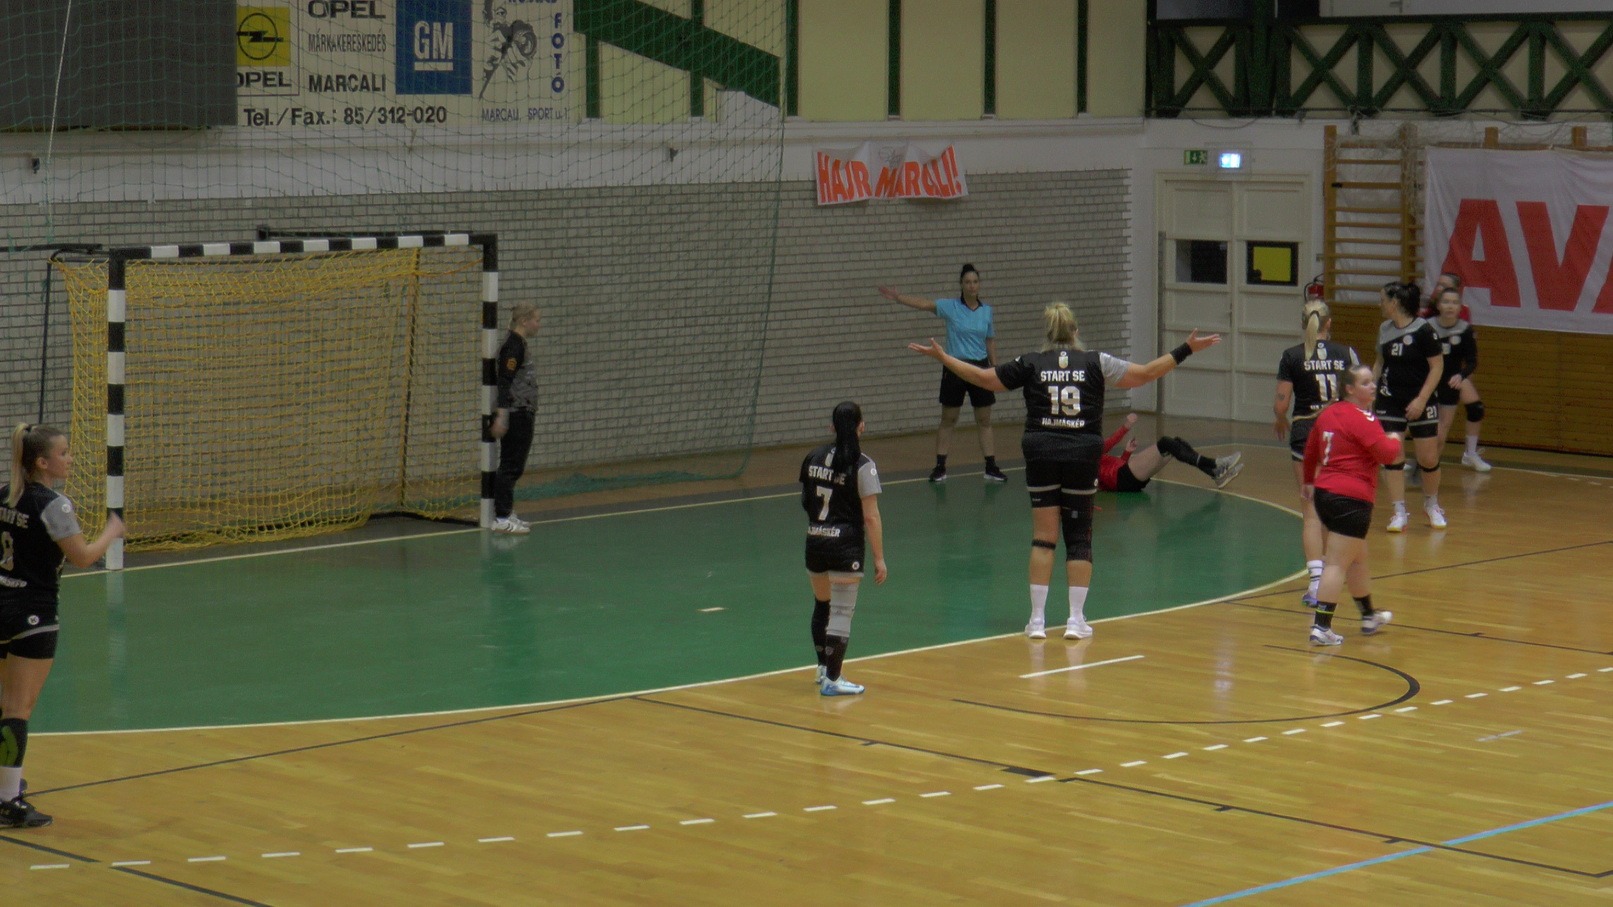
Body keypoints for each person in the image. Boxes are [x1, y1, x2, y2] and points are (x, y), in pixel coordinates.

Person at [909, 302, 1219, 641]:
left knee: (1044, 538)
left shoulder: (1030, 363)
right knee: (1079, 537)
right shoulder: (1097, 362)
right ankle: (1074, 620)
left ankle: (1036, 621)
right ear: (1075, 332)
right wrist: (1186, 348)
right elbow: (1146, 373)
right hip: (1081, 453)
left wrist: (944, 358)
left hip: (1040, 451)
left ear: (1048, 333)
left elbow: (984, 378)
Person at [0, 423, 125, 828]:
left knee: (5, 704)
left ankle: (4, 782)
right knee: (18, 708)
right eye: (64, 453)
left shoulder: (6, 494)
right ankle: (7, 800)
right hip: (33, 611)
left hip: (2, 603)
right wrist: (111, 532)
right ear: (42, 462)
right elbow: (83, 557)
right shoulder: (54, 504)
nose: (70, 459)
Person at [1301, 366, 1403, 645]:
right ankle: (1321, 628)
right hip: (1352, 497)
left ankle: (1368, 615)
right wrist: (1395, 440)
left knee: (1357, 557)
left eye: (1373, 382)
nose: (1372, 386)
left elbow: (1310, 449)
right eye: (1365, 382)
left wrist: (1308, 480)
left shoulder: (1328, 414)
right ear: (1350, 389)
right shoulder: (1363, 418)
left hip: (1325, 494)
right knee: (1336, 563)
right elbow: (1387, 454)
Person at [878, 264, 1005, 483]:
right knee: (949, 418)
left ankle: (991, 466)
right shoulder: (950, 307)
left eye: (975, 282)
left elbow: (990, 340)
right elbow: (925, 304)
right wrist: (899, 298)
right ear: (961, 284)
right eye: (967, 282)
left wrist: (995, 368)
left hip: (980, 369)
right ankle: (940, 466)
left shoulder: (986, 311)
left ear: (979, 285)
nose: (972, 286)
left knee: (984, 419)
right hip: (955, 367)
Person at [1274, 300, 1361, 606]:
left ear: (1303, 323)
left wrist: (1280, 419)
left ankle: (1315, 583)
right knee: (1337, 507)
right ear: (1329, 323)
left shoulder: (1292, 356)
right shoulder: (1347, 353)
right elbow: (1360, 395)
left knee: (1310, 512)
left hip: (1306, 433)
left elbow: (1281, 404)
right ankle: (1338, 572)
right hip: (1339, 432)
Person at [800, 401, 886, 696]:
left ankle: (823, 668)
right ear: (862, 426)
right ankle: (833, 680)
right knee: (841, 612)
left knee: (822, 605)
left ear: (832, 427)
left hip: (815, 540)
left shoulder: (813, 457)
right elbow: (871, 516)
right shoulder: (863, 465)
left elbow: (806, 500)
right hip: (845, 545)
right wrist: (879, 558)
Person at [1373, 281, 1445, 532]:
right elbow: (1379, 363)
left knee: (1428, 457)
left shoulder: (1424, 330)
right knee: (1393, 454)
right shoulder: (1384, 329)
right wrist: (1369, 392)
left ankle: (1432, 504)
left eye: (1383, 300)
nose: (1380, 304)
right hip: (1389, 399)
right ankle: (1399, 510)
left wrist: (1422, 399)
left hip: (1420, 400)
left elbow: (1437, 367)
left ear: (1395, 302)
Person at [490, 303, 542, 534]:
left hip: (522, 411)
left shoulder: (519, 344)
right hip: (516, 412)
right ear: (524, 321)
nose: (538, 325)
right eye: (536, 320)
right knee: (511, 466)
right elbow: (504, 382)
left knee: (515, 466)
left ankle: (507, 510)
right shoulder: (513, 346)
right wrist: (502, 416)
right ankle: (501, 518)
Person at [1429, 285, 1492, 472]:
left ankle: (1430, 468)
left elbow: (1472, 361)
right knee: (1417, 425)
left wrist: (1461, 375)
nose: (1450, 306)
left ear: (1460, 307)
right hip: (1428, 382)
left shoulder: (1464, 330)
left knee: (1441, 432)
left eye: (1455, 302)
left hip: (1450, 383)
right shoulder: (1427, 327)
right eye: (1446, 302)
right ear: (1438, 305)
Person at [1098, 413, 1242, 493]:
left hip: (1125, 477)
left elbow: (1106, 473)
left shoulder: (1090, 459)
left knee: (1175, 443)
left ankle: (1215, 473)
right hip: (1123, 477)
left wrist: (1126, 453)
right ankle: (1214, 463)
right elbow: (1108, 444)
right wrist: (1126, 427)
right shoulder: (1088, 454)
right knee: (1165, 443)